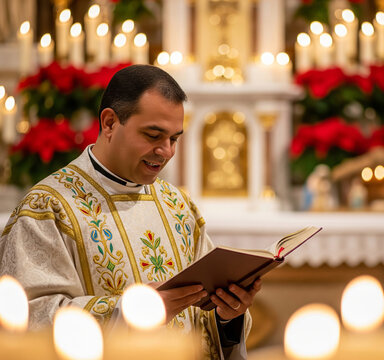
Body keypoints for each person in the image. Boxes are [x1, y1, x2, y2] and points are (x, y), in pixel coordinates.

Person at [0, 64, 261, 359]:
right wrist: (132, 312)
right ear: (110, 123)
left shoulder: (176, 205)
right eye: (153, 135)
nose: (167, 151)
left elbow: (202, 323)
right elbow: (28, 322)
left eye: (174, 138)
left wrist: (229, 315)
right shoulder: (49, 208)